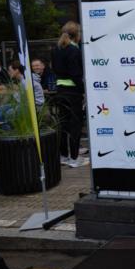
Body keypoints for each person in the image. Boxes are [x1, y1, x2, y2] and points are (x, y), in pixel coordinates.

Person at [52, 21, 87, 168]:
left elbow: (54, 69)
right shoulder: (74, 50)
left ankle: (64, 156)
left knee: (63, 124)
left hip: (60, 90)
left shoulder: (56, 49)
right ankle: (74, 158)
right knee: (75, 125)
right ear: (77, 34)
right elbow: (76, 74)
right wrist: (83, 90)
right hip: (73, 92)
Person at [0, 60, 46, 127]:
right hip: (24, 104)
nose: (8, 73)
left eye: (10, 70)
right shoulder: (21, 80)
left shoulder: (26, 82)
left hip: (33, 106)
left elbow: (23, 99)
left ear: (16, 71)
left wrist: (14, 92)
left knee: (8, 113)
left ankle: (7, 132)